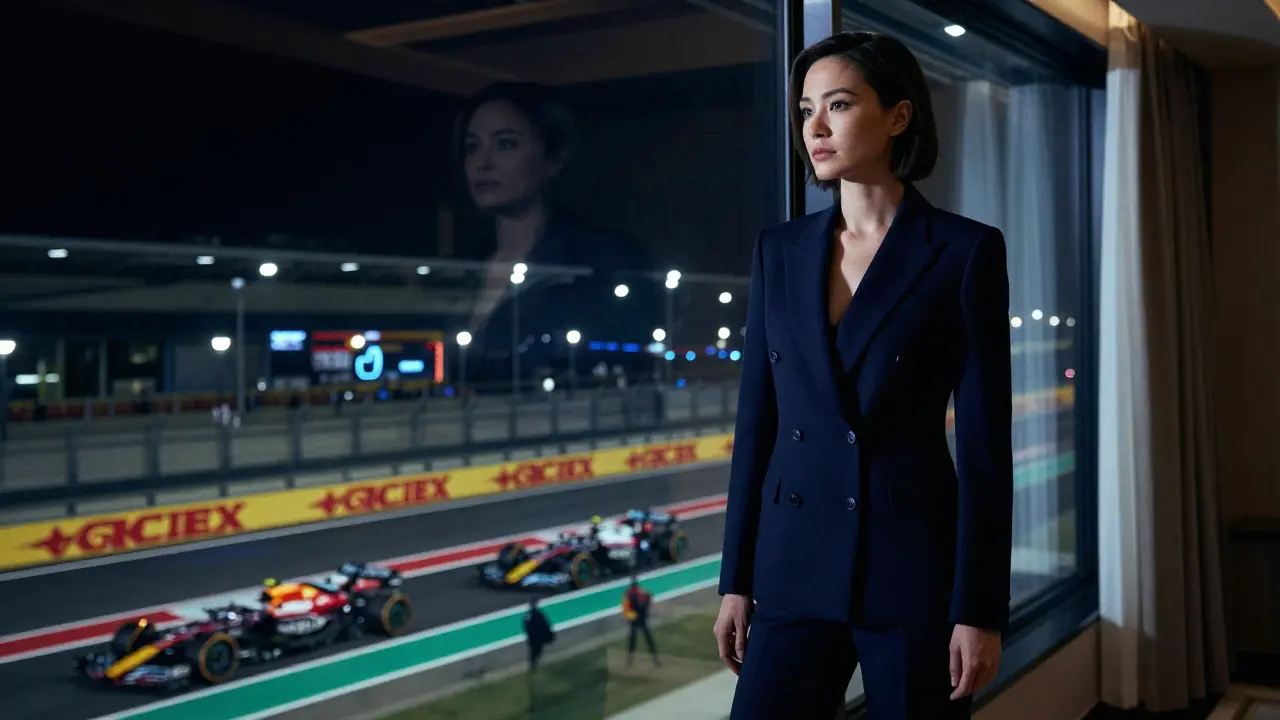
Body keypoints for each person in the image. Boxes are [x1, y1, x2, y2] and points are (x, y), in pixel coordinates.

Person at [713, 31, 1013, 720]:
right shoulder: (778, 251)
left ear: (898, 116)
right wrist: (738, 579)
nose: (814, 127)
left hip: (912, 573)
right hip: (791, 570)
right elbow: (756, 425)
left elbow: (985, 444)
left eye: (839, 105)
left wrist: (979, 610)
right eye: (804, 110)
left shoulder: (963, 252)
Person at [622, 576, 660, 667]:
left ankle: (630, 661)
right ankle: (655, 660)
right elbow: (649, 598)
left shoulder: (630, 594)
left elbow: (627, 609)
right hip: (640, 619)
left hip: (636, 620)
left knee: (634, 641)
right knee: (646, 640)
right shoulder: (640, 593)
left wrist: (633, 617)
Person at [522, 597, 555, 673]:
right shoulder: (533, 615)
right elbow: (527, 625)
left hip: (536, 637)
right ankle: (533, 666)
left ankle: (533, 665)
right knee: (534, 652)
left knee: (536, 651)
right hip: (535, 637)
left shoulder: (535, 614)